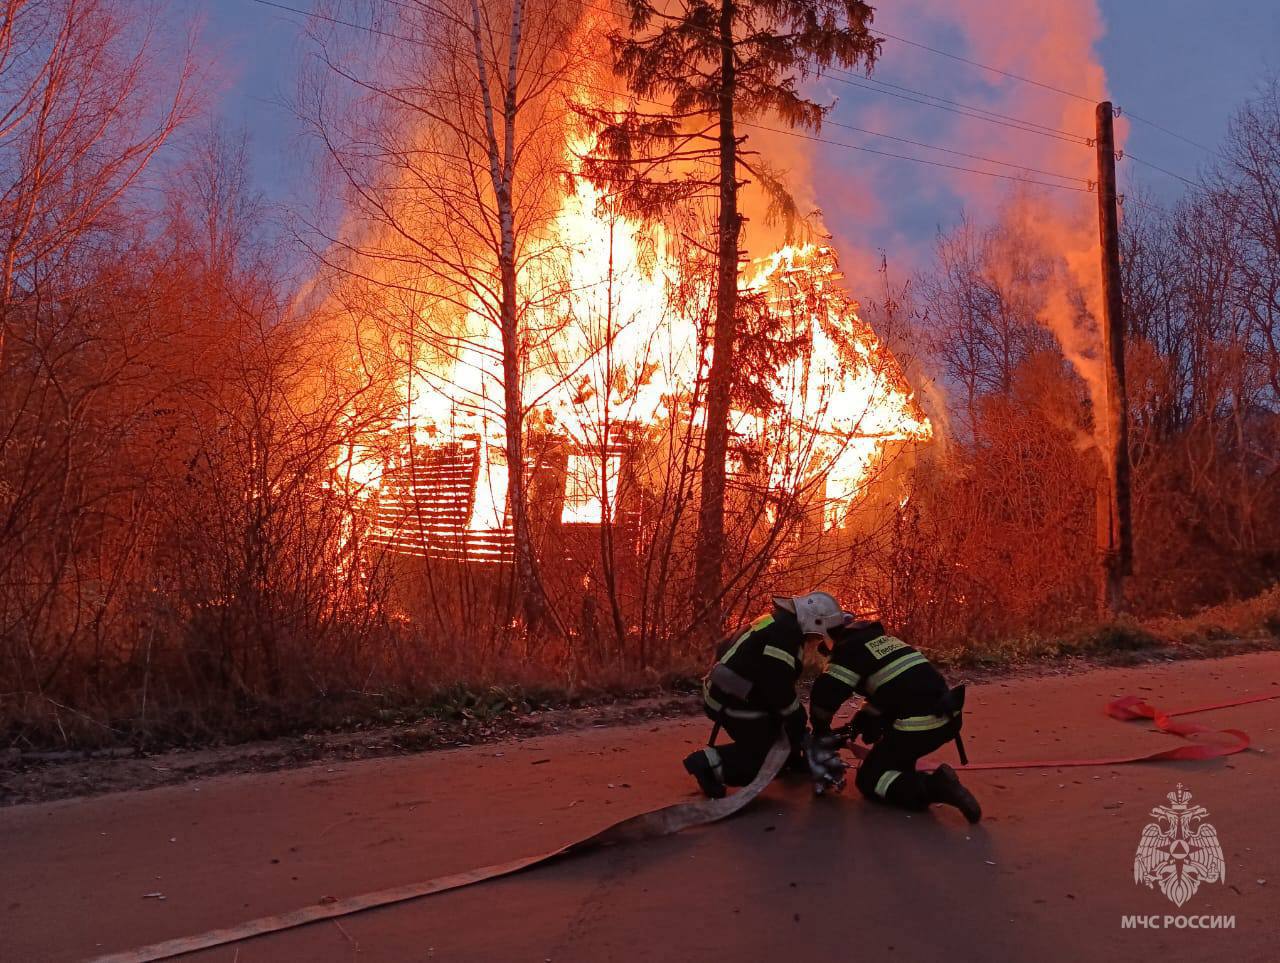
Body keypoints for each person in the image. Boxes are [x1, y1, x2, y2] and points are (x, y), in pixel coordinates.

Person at [808, 618, 982, 823]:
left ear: (832, 639)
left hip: (918, 726)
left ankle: (936, 786)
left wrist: (820, 730)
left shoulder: (847, 650)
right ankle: (904, 773)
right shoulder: (884, 642)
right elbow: (892, 689)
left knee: (870, 779)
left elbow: (824, 698)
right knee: (894, 760)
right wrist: (860, 722)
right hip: (946, 719)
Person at [683, 591, 852, 798]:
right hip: (731, 702)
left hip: (732, 693)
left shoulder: (776, 622)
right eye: (820, 633)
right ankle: (708, 763)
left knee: (784, 730)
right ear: (814, 621)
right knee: (768, 761)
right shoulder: (784, 637)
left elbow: (726, 648)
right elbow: (778, 689)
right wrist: (798, 720)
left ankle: (790, 758)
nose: (818, 639)